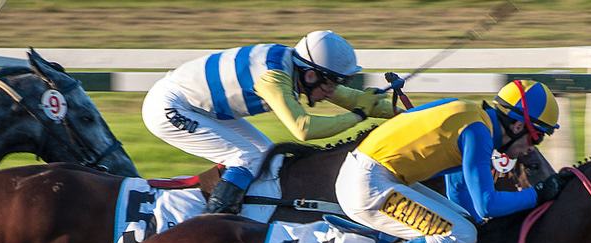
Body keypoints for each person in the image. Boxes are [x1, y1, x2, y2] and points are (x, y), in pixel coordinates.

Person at [334, 79, 568, 243]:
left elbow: (458, 189)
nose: (531, 149)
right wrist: (537, 194)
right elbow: (487, 205)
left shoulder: (471, 115)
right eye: (536, 138)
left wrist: (481, 227)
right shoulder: (478, 132)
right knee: (462, 235)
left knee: (466, 226)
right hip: (368, 185)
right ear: (518, 126)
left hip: (373, 175)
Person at [142, 30, 399, 214]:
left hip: (201, 107)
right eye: (331, 83)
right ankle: (214, 219)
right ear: (311, 75)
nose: (332, 91)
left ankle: (248, 210)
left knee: (268, 158)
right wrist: (359, 115)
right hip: (170, 107)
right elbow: (304, 129)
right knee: (246, 158)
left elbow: (352, 99)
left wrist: (405, 114)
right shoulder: (274, 78)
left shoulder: (298, 67)